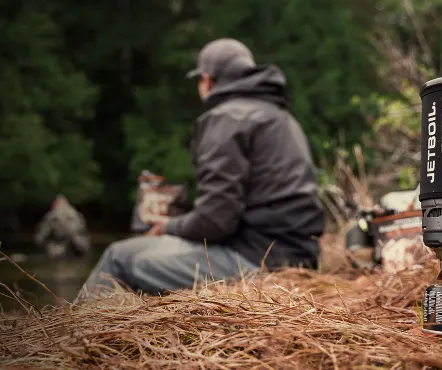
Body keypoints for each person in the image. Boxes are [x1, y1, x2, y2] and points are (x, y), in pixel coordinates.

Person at [79, 38, 325, 299]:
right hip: (298, 260)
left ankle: (70, 337)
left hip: (256, 262)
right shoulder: (282, 117)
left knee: (118, 257)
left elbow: (215, 222)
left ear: (207, 81)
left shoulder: (226, 118)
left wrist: (168, 226)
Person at [34, 194, 92, 260]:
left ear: (55, 204)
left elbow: (41, 237)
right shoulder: (77, 215)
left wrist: (40, 244)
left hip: (61, 249)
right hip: (81, 247)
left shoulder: (52, 215)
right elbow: (85, 232)